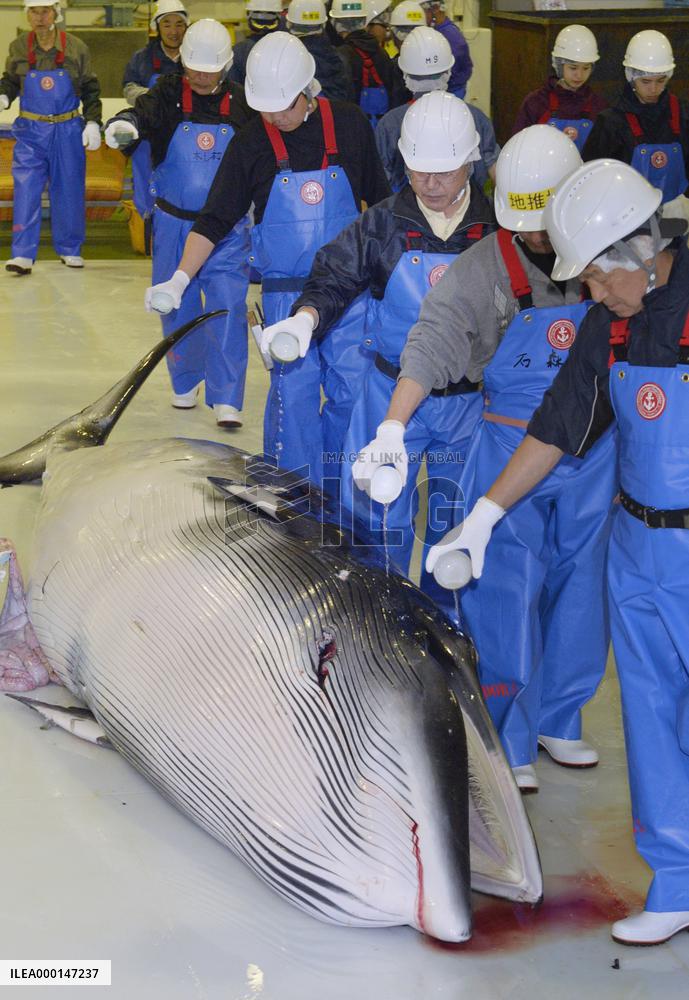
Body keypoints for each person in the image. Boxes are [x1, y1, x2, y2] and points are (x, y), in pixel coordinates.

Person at [425, 158, 689, 946]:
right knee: (647, 719)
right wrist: (480, 518)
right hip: (638, 550)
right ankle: (676, 880)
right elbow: (555, 423)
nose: (588, 294)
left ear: (638, 254)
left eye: (598, 280)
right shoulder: (608, 327)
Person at [353, 127, 608, 781]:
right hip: (507, 444)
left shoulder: (614, 250)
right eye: (524, 227)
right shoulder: (484, 266)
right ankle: (508, 734)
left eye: (545, 228)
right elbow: (432, 340)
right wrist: (391, 426)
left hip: (590, 451)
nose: (535, 240)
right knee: (504, 588)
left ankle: (559, 717)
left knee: (581, 586)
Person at [267, 92, 493, 605]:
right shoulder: (383, 224)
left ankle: (445, 633)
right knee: (373, 521)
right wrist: (306, 318)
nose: (430, 184)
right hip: (388, 394)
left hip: (469, 403)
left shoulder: (496, 231)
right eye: (419, 171)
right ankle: (377, 626)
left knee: (455, 526)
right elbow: (334, 274)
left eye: (444, 172)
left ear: (470, 163)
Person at [144, 31, 390, 481]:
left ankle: (343, 497)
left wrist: (389, 282)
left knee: (353, 392)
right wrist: (179, 278)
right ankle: (296, 499)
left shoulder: (352, 124)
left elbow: (381, 206)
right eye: (265, 107)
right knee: (292, 398)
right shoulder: (253, 142)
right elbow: (216, 218)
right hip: (284, 299)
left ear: (307, 89)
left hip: (350, 296)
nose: (275, 117)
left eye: (284, 106)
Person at [105, 19, 253, 428]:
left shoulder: (244, 104)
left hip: (226, 230)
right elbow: (139, 114)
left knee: (227, 305)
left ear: (225, 66)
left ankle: (227, 396)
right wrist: (124, 125)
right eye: (193, 68)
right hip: (173, 224)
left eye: (210, 69)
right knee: (177, 306)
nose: (201, 76)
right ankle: (185, 379)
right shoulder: (169, 92)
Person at [0, 0, 101, 276]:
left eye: (45, 11)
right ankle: (22, 254)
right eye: (34, 11)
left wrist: (93, 121)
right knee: (26, 188)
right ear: (27, 14)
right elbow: (11, 78)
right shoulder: (19, 46)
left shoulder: (77, 47)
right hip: (31, 130)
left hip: (67, 129)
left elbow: (91, 87)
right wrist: (4, 94)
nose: (40, 17)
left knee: (68, 189)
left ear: (56, 13)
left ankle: (70, 249)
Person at [375, 26, 499, 192]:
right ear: (448, 71)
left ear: (405, 74)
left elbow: (381, 182)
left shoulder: (390, 124)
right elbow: (496, 171)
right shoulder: (475, 117)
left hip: (408, 214)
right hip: (467, 212)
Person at [582, 30, 689, 212]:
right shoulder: (611, 122)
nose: (654, 89)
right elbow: (592, 180)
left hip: (679, 216)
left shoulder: (683, 113)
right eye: (646, 82)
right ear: (631, 77)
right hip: (627, 221)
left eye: (661, 80)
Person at [121, 0, 188, 229]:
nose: (173, 31)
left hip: (183, 135)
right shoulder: (142, 58)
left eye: (179, 24)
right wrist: (155, 95)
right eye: (167, 24)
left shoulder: (194, 57)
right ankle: (151, 230)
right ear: (157, 27)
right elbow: (129, 88)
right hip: (149, 135)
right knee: (145, 183)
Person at [512, 23, 606, 153]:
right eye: (573, 68)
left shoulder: (599, 105)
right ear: (558, 65)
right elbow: (517, 149)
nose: (579, 75)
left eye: (586, 68)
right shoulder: (536, 102)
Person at [329, 0, 406, 125]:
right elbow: (395, 93)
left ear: (336, 24)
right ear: (364, 21)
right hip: (381, 125)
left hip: (354, 127)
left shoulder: (341, 56)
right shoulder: (382, 53)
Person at [286, 0, 354, 102]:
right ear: (323, 25)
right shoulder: (339, 56)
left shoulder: (286, 58)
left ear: (289, 24)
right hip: (333, 114)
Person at [419, 0, 471, 99]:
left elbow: (450, 72)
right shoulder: (440, 31)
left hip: (450, 93)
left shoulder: (450, 35)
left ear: (435, 9)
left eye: (423, 12)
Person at [229, 0, 285, 86]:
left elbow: (233, 87)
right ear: (279, 16)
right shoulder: (288, 47)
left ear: (249, 15)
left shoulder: (238, 51)